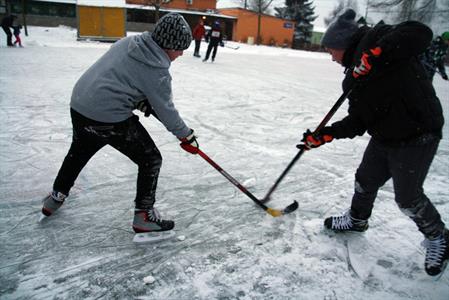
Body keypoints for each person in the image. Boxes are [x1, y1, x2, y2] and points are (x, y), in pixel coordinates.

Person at [299, 9, 448, 277]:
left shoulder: (379, 39)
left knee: (408, 197)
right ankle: (357, 220)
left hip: (418, 134)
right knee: (365, 180)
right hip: (385, 136)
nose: (330, 56)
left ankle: (439, 237)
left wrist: (378, 52)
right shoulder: (353, 78)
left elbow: (421, 33)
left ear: (344, 44)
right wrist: (325, 135)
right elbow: (358, 121)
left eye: (331, 50)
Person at [41, 13, 200, 236]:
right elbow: (167, 111)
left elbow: (118, 78)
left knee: (79, 151)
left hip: (80, 103)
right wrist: (186, 135)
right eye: (180, 48)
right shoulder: (157, 71)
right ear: (168, 44)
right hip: (107, 116)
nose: (181, 54)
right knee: (150, 158)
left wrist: (138, 100)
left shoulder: (129, 43)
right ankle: (144, 216)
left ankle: (54, 199)